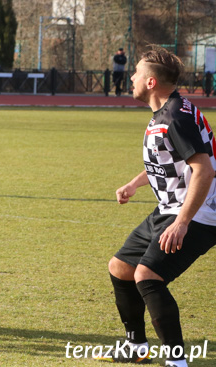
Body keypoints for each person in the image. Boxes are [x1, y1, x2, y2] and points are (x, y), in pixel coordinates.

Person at [96, 48, 216, 365]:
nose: (131, 78)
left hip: (196, 214)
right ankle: (135, 346)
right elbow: (171, 163)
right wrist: (135, 183)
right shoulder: (168, 111)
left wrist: (183, 223)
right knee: (121, 268)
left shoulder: (175, 116)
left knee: (148, 276)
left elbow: (204, 169)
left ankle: (176, 360)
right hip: (169, 208)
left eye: (136, 73)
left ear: (151, 82)